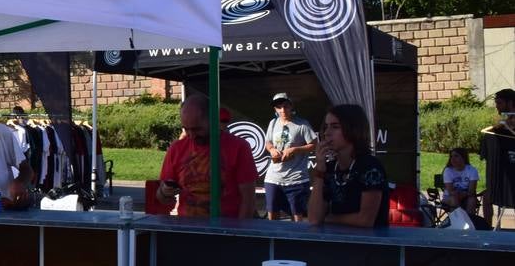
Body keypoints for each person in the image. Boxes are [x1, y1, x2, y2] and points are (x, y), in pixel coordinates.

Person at [156, 93, 257, 218]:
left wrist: (240, 233)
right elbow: (162, 198)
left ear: (213, 120)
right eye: (186, 129)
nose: (191, 135)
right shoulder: (176, 148)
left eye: (197, 129)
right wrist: (165, 192)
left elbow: (248, 200)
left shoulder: (239, 147)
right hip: (188, 229)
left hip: (228, 230)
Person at [307, 103, 390, 228]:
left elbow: (365, 220)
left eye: (335, 127)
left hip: (370, 244)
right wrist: (319, 170)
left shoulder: (370, 167)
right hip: (337, 243)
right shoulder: (330, 168)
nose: (327, 133)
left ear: (353, 129)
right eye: (326, 127)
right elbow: (314, 219)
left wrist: (329, 218)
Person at [262, 92, 317, 221]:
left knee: (297, 217)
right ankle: (273, 241)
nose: (283, 110)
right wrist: (271, 150)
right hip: (273, 178)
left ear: (291, 106)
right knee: (272, 215)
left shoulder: (302, 124)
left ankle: (295, 241)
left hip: (296, 179)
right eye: (279, 107)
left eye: (286, 106)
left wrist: (295, 150)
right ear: (275, 109)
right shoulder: (273, 123)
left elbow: (314, 144)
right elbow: (268, 142)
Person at [480, 88, 515, 223]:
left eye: (499, 103)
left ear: (510, 103)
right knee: (487, 196)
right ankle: (487, 231)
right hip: (501, 182)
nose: (497, 107)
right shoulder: (495, 133)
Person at [442, 148, 480, 217]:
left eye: (456, 156)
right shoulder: (448, 170)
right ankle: (458, 223)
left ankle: (470, 223)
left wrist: (463, 195)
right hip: (449, 197)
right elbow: (450, 191)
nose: (453, 159)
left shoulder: (472, 170)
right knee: (454, 199)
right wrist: (458, 195)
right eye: (451, 156)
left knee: (472, 200)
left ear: (463, 158)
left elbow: (471, 191)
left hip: (467, 196)